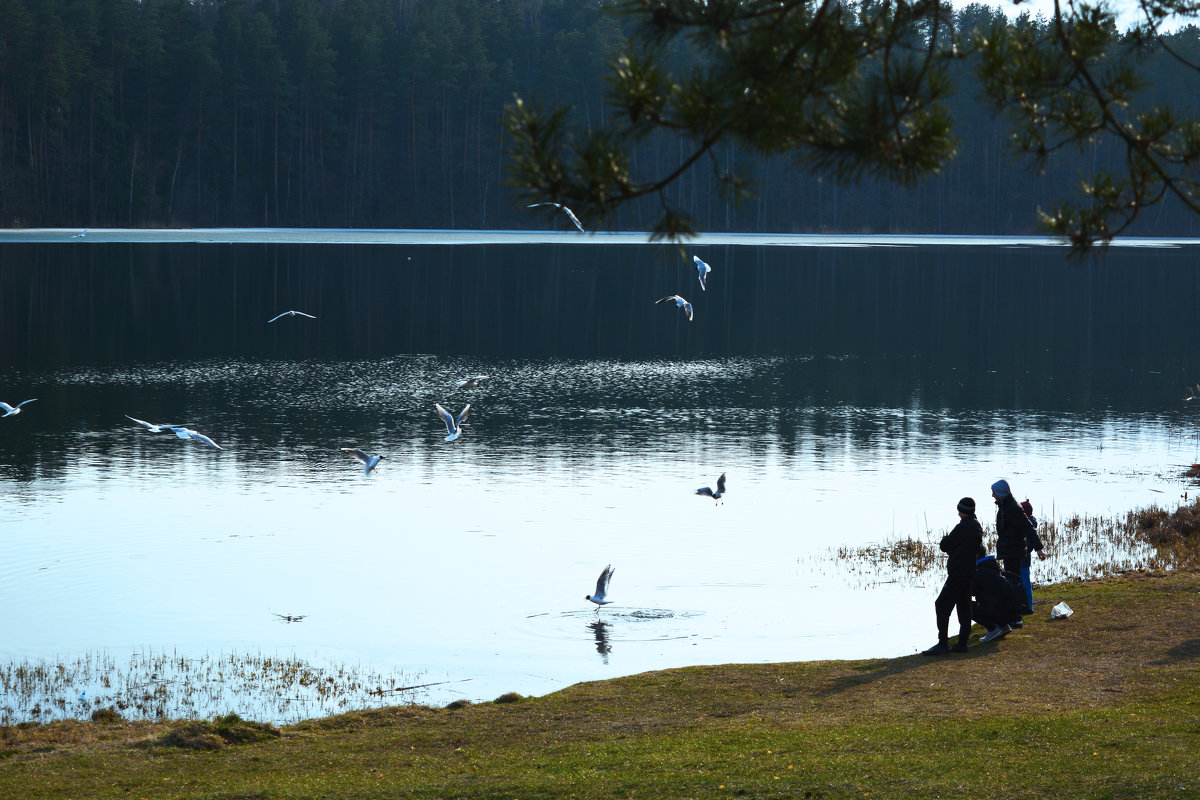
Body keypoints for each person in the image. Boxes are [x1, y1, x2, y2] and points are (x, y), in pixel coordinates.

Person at [922, 497, 984, 656]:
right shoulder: (976, 526)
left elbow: (945, 545)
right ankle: (962, 642)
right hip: (969, 572)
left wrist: (946, 541)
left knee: (941, 604)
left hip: (958, 573)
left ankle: (943, 643)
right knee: (964, 606)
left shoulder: (963, 526)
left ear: (961, 510)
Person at [990, 479, 1044, 629]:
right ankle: (1013, 615)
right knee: (1012, 581)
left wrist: (1039, 548)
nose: (992, 495)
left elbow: (1028, 528)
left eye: (994, 492)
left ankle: (1017, 617)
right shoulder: (1004, 505)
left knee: (1014, 582)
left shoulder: (1013, 508)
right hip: (1009, 550)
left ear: (1001, 492)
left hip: (1014, 551)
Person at [971, 550, 1024, 642]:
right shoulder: (994, 567)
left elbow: (971, 591)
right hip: (1010, 612)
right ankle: (1004, 626)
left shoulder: (979, 571)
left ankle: (992, 629)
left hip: (997, 611)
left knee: (966, 605)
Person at [1018, 499, 1049, 616]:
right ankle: (1026, 605)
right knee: (1023, 581)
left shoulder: (1027, 525)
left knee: (1025, 582)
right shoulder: (1028, 524)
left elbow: (1031, 542)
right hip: (1024, 557)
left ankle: (1029, 606)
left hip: (1024, 557)